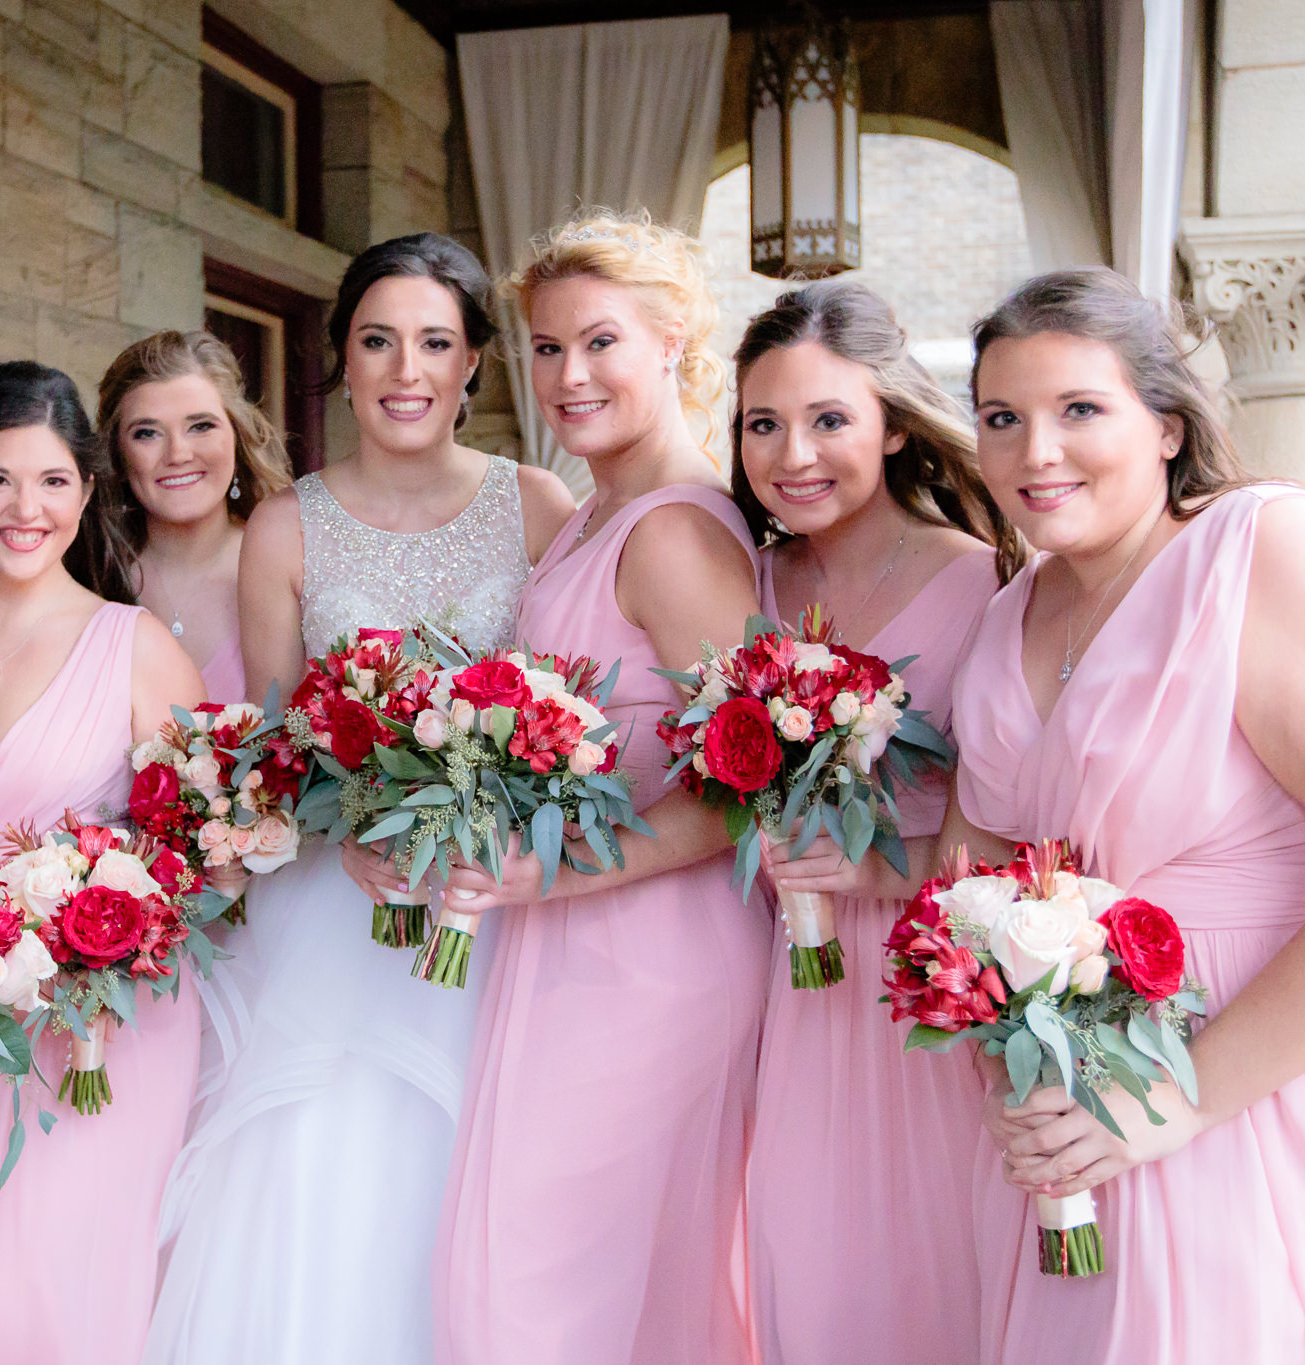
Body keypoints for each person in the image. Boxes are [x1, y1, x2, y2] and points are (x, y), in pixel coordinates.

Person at [947, 269, 1305, 1364]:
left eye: (1078, 411)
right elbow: (990, 873)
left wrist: (1174, 1102)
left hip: (1272, 1080)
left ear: (1165, 425)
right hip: (1084, 1077)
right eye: (1000, 420)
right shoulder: (1011, 609)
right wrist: (1011, 1055)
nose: (1033, 453)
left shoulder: (1264, 550)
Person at [145, 232, 573, 1365]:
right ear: (339, 357)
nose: (404, 370)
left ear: (475, 361)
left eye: (435, 342)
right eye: (377, 340)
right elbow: (277, 744)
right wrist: (338, 843)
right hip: (336, 913)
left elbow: (571, 715)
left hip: (488, 914)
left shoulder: (537, 508)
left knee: (476, 1185)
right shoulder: (286, 525)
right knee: (320, 1179)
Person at [430, 211, 764, 1365]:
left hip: (650, 956)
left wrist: (551, 870)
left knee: (555, 1283)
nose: (568, 375)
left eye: (601, 342)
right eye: (545, 346)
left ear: (674, 343)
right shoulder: (588, 517)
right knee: (538, 1278)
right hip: (564, 940)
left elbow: (744, 783)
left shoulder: (675, 535)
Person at [731, 278, 1019, 1364]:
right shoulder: (748, 579)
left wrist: (871, 867)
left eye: (826, 420)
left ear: (894, 427)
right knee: (803, 1272)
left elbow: (1027, 819)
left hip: (924, 989)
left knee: (931, 1272)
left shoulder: (985, 582)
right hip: (787, 993)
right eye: (763, 423)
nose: (789, 453)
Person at [0, 361, 205, 1365]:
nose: (23, 508)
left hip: (90, 1033)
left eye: (50, 481)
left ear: (86, 491)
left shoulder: (137, 648)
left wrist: (99, 906)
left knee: (52, 1290)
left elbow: (203, 854)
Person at [100, 329, 293, 702]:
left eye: (201, 426)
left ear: (237, 436)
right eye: (147, 433)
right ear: (118, 456)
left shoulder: (291, 567)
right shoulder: (93, 576)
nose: (178, 453)